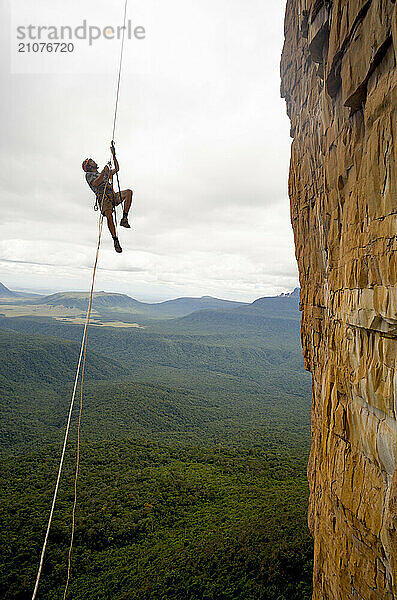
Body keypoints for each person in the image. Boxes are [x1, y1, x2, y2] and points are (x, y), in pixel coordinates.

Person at [82, 147, 133, 253]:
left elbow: (117, 168)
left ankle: (124, 219)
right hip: (103, 197)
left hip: (111, 194)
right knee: (109, 215)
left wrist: (114, 155)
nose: (94, 162)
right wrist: (103, 172)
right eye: (92, 162)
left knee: (128, 193)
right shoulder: (89, 175)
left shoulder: (104, 173)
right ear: (89, 166)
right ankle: (115, 240)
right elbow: (95, 183)